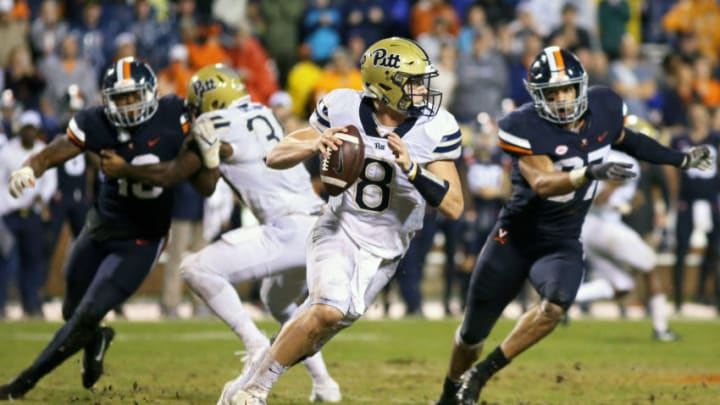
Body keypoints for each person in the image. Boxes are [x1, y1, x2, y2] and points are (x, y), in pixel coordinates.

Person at [432, 46, 713, 405]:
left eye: (567, 89)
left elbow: (630, 140)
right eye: (552, 93)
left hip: (562, 240)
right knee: (472, 333)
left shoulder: (605, 108)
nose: (562, 99)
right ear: (538, 96)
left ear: (581, 86)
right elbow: (543, 183)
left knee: (556, 305)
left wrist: (681, 159)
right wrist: (589, 173)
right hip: (514, 239)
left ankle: (481, 374)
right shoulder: (522, 125)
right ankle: (448, 394)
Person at [231, 36, 464, 405]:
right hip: (338, 227)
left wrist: (415, 169)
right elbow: (275, 156)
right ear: (385, 85)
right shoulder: (342, 107)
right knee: (327, 308)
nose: (422, 90)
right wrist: (314, 143)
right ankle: (252, 392)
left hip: (388, 250)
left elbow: (453, 205)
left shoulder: (435, 127)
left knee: (319, 329)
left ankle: (248, 378)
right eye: (413, 82)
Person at [99, 64, 342, 404]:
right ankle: (325, 384)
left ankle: (256, 345)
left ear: (208, 101)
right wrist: (212, 159)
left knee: (195, 268)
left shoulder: (212, 123)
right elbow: (216, 172)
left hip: (286, 228)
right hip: (316, 226)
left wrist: (126, 168)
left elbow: (179, 175)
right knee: (278, 300)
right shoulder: (263, 111)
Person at [0, 57, 210, 400]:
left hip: (141, 239)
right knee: (72, 311)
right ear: (106, 99)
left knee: (86, 314)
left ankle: (21, 385)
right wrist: (30, 168)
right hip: (99, 228)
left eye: (133, 96)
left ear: (152, 93)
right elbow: (54, 151)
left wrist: (130, 170)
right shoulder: (95, 121)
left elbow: (182, 174)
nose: (127, 105)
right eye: (120, 98)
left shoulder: (175, 115)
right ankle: (97, 339)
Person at [576, 147, 679, 341]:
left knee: (622, 285)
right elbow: (598, 200)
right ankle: (661, 329)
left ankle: (562, 298)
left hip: (588, 229)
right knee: (650, 266)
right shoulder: (617, 158)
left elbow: (617, 198)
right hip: (603, 226)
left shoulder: (598, 155)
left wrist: (629, 202)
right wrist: (614, 187)